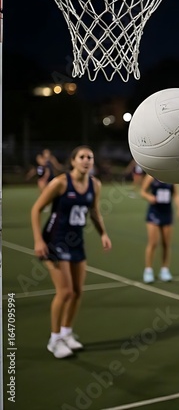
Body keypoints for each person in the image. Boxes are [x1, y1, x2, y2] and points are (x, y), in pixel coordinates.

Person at [31, 145, 112, 359]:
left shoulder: (95, 185)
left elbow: (94, 211)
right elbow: (36, 209)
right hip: (55, 241)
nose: (86, 160)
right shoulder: (60, 183)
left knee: (77, 292)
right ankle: (54, 339)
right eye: (82, 157)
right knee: (65, 292)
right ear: (73, 161)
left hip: (77, 242)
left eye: (90, 157)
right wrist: (38, 240)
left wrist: (103, 233)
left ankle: (66, 333)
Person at [141, 174, 179, 283]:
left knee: (166, 243)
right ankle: (148, 270)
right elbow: (142, 191)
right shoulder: (151, 176)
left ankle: (164, 270)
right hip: (154, 212)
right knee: (153, 243)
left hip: (167, 212)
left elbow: (176, 195)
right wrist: (149, 197)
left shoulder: (173, 177)